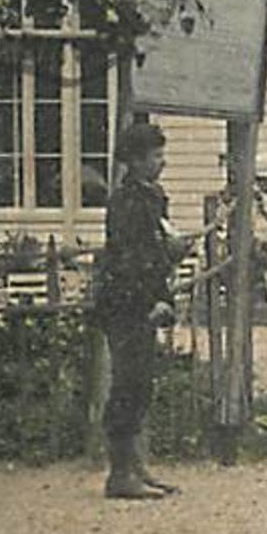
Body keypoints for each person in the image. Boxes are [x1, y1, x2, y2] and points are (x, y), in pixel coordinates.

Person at [94, 122, 187, 500]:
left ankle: (134, 467)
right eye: (154, 156)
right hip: (127, 304)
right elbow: (131, 260)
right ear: (133, 161)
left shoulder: (153, 197)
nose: (161, 163)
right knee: (128, 384)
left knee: (141, 383)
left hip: (146, 300)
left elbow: (156, 250)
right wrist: (152, 301)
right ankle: (119, 474)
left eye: (162, 155)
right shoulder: (126, 202)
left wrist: (173, 251)